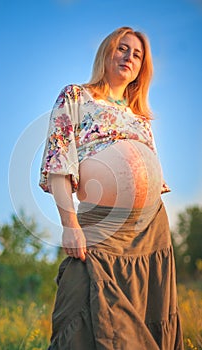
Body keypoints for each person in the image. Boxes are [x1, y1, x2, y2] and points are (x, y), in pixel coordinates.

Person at [39, 26, 184, 350]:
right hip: (102, 224)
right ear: (106, 51)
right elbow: (59, 162)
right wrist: (70, 225)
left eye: (137, 54)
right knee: (82, 301)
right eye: (123, 48)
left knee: (145, 310)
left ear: (141, 67)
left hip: (149, 231)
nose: (128, 57)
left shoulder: (139, 117)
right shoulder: (76, 96)